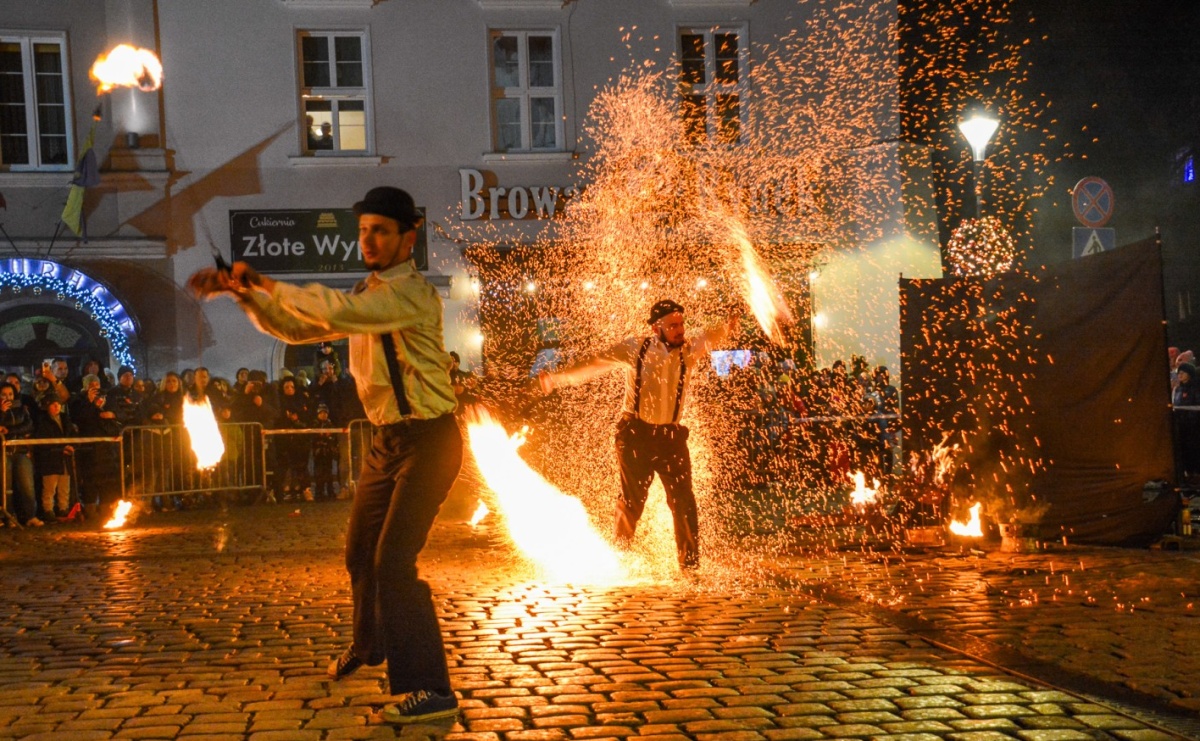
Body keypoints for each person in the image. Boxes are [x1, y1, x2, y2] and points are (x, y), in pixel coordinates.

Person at [188, 184, 462, 725]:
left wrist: (263, 279)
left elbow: (333, 307)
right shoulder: (369, 293)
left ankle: (431, 689)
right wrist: (242, 295)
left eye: (380, 231)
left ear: (410, 238)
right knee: (360, 552)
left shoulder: (409, 295)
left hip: (430, 439)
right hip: (387, 442)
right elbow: (296, 327)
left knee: (393, 563)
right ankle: (371, 645)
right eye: (363, 231)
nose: (369, 240)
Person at [538, 299, 737, 572]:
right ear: (657, 328)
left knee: (684, 502)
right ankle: (619, 557)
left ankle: (689, 567)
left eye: (681, 324)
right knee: (632, 502)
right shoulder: (636, 348)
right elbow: (596, 363)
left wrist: (729, 324)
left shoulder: (689, 350)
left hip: (671, 438)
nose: (680, 330)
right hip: (636, 435)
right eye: (673, 326)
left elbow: (713, 334)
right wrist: (557, 378)